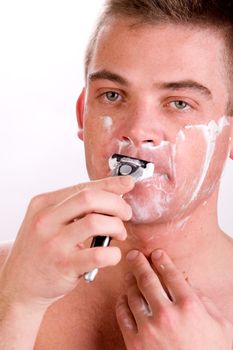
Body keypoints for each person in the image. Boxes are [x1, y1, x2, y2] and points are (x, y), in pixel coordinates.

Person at [1, 0, 233, 349]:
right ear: (83, 114)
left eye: (179, 103)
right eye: (113, 95)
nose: (138, 130)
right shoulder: (9, 283)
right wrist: (15, 309)